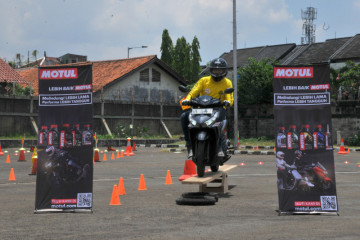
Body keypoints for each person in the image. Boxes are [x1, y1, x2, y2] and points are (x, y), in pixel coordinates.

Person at [181, 58, 234, 158]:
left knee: (221, 121)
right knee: (184, 116)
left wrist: (228, 102)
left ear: (224, 71)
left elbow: (229, 97)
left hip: (218, 109)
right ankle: (189, 145)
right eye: (215, 70)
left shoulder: (227, 82)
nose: (217, 72)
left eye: (220, 70)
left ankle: (220, 148)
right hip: (200, 109)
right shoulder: (203, 80)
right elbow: (193, 92)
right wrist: (187, 99)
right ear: (211, 70)